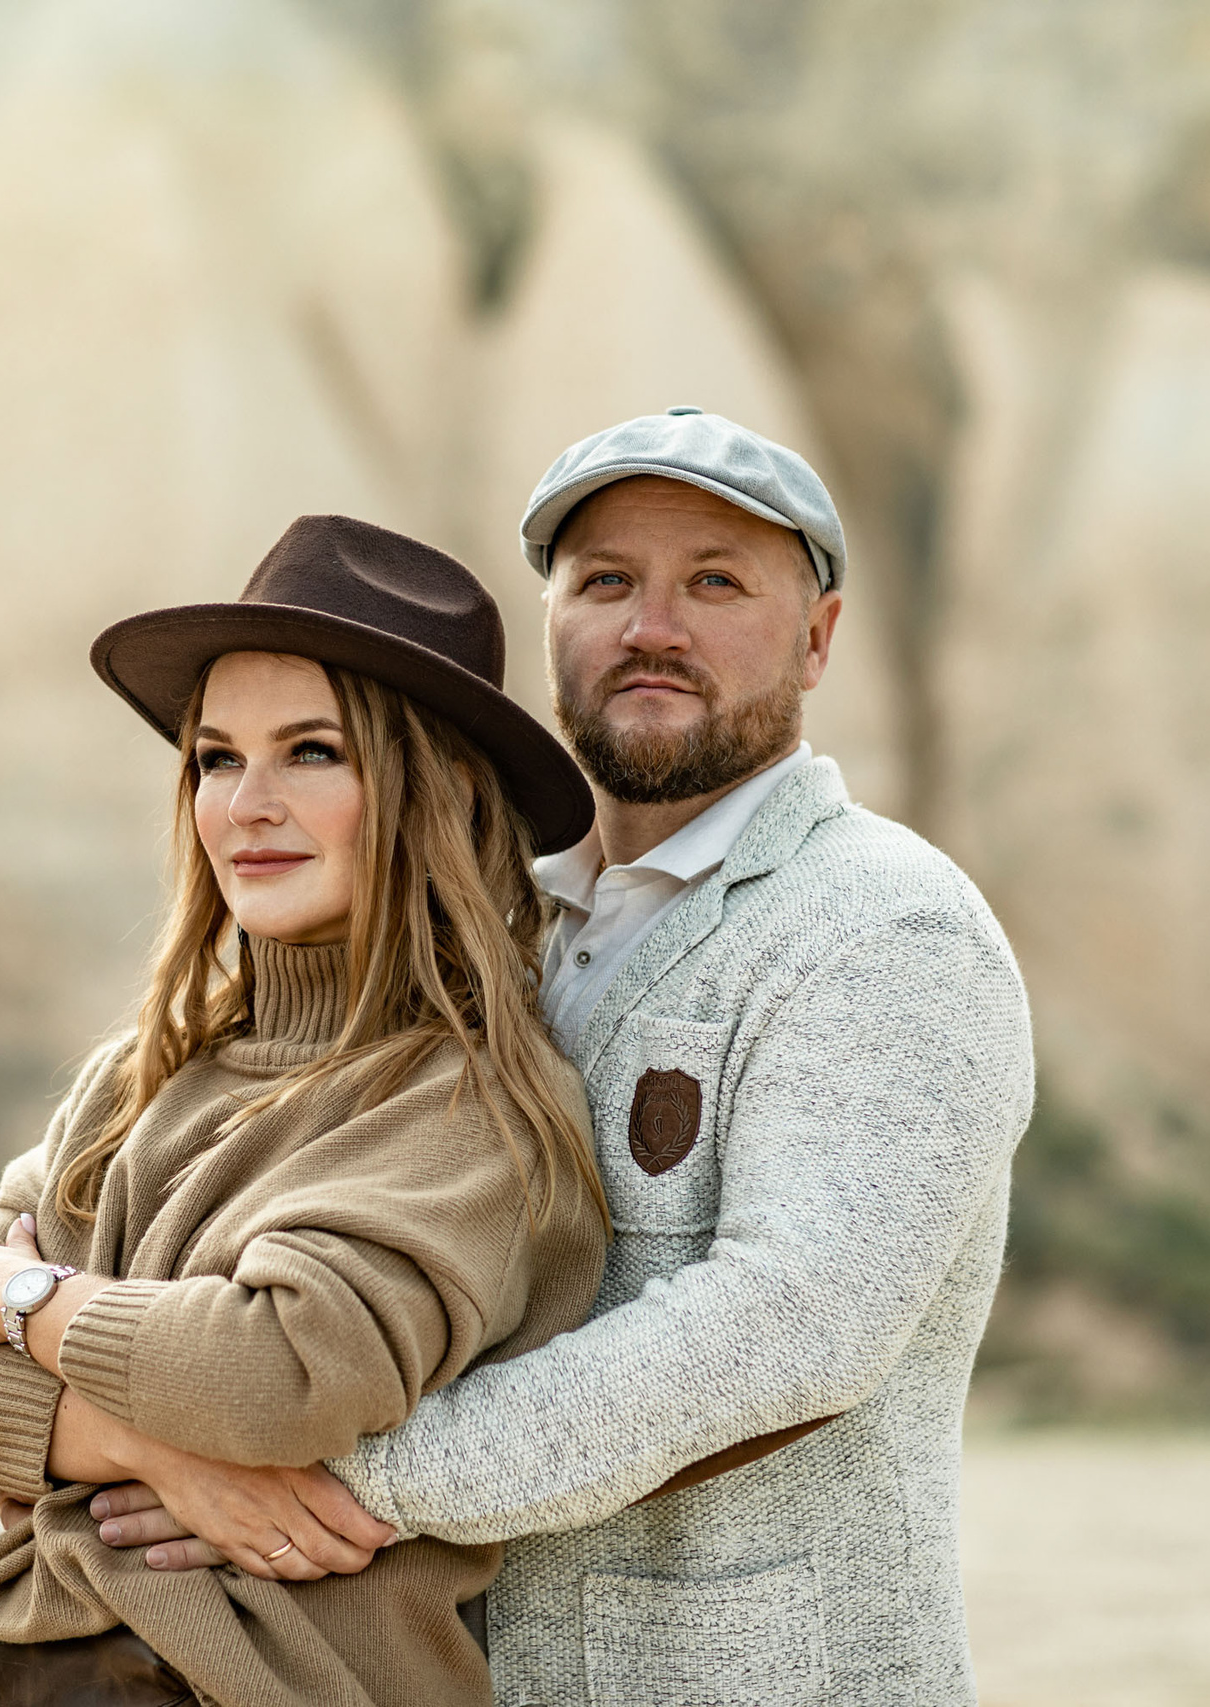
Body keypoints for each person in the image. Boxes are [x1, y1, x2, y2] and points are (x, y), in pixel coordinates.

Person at [90, 409, 1037, 1705]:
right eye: (605, 581)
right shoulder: (472, 924)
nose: (653, 624)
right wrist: (125, 1427)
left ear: (818, 634)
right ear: (550, 624)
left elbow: (791, 1328)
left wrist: (343, 1482)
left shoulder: (886, 927)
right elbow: (58, 1222)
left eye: (715, 578)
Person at [0, 514, 612, 1707]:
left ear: (427, 791)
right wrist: (151, 1451)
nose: (247, 804)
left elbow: (281, 1371)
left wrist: (17, 1298)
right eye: (217, 758)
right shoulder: (136, 1081)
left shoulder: (466, 1102)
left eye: (311, 752)